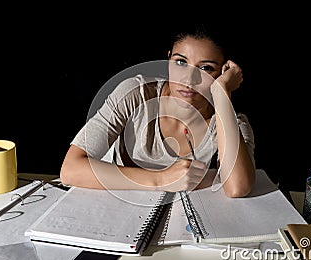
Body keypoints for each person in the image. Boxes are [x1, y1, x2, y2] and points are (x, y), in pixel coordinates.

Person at [60, 24, 256, 198]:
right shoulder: (135, 94)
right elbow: (70, 170)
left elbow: (238, 188)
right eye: (180, 62)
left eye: (206, 68)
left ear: (223, 71)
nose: (188, 80)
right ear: (169, 58)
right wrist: (161, 180)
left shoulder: (230, 123)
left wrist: (222, 93)